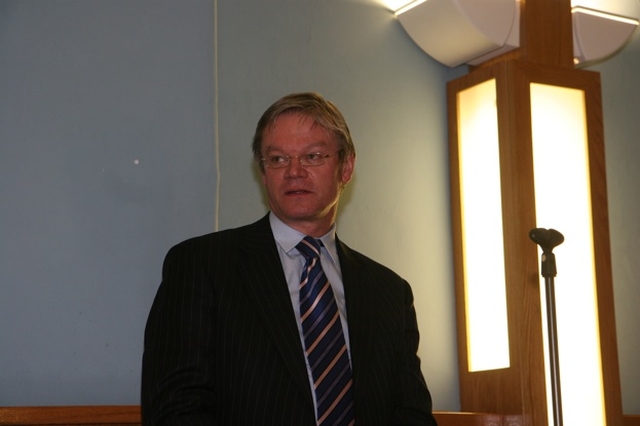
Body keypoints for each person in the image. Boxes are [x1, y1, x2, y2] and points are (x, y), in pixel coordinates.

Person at [141, 92, 437, 425]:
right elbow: (174, 410)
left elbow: (412, 415)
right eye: (278, 159)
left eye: (312, 156)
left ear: (347, 167)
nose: (294, 171)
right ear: (262, 172)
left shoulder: (389, 293)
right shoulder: (201, 266)